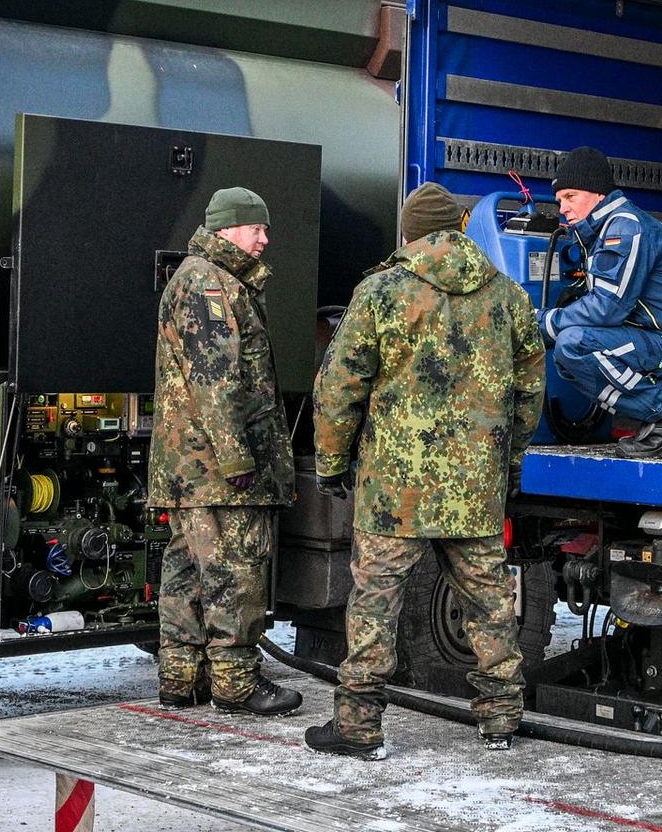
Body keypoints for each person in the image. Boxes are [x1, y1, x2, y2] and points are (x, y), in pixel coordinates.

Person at [304, 182, 546, 760]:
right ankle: (501, 722)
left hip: (396, 491)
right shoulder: (507, 296)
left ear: (408, 233)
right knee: (489, 601)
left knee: (373, 606)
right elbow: (529, 389)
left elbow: (339, 387)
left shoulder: (380, 292)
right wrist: (508, 464)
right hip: (475, 487)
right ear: (460, 230)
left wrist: (333, 462)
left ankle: (359, 728)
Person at [146, 186, 303, 717]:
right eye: (256, 228)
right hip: (217, 471)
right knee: (235, 571)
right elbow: (216, 384)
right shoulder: (210, 285)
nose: (264, 240)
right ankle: (235, 684)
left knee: (189, 570)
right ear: (226, 230)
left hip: (195, 469)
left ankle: (180, 679)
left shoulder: (203, 279)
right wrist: (238, 461)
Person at [543, 146, 662, 458]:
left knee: (574, 344)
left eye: (570, 196)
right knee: (567, 350)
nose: (563, 208)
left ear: (598, 193)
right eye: (560, 200)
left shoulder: (624, 226)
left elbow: (606, 308)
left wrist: (542, 322)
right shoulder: (605, 229)